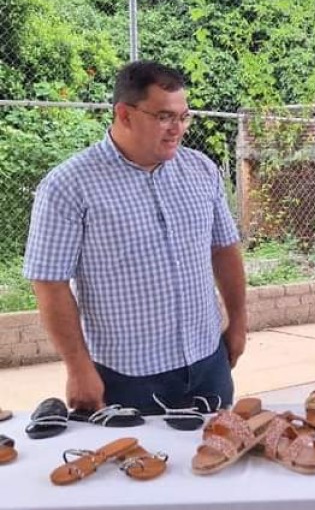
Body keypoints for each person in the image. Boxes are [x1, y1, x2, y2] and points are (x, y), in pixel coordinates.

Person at [23, 60, 246, 414]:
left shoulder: (201, 170)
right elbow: (49, 283)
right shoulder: (69, 186)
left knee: (217, 461)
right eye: (164, 117)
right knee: (134, 466)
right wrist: (79, 369)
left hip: (208, 363)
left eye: (183, 116)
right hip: (127, 377)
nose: (177, 129)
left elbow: (223, 249)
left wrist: (238, 323)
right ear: (124, 115)